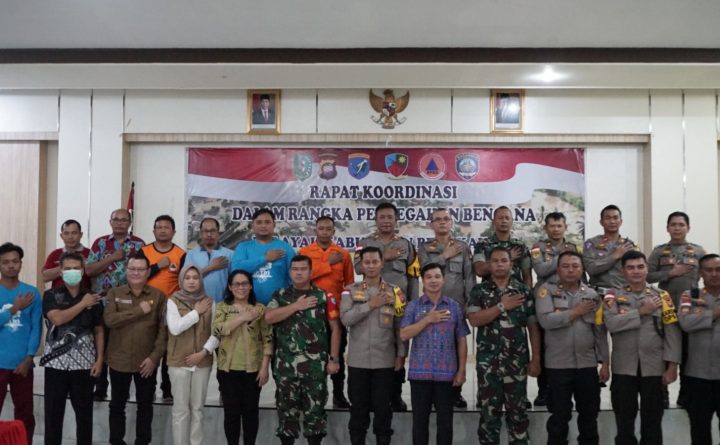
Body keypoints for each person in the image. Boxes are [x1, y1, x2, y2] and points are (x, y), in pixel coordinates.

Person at [604, 250, 680, 445]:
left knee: (653, 422)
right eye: (630, 268)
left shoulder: (662, 296)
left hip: (654, 367)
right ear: (623, 271)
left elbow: (672, 332)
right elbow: (611, 324)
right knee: (624, 423)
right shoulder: (613, 296)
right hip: (624, 368)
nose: (636, 271)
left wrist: (672, 366)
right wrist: (641, 311)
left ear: (647, 269)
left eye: (640, 267)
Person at [466, 246, 541, 445]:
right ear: (489, 265)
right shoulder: (479, 291)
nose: (499, 264)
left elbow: (533, 327)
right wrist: (501, 306)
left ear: (511, 264)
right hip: (488, 365)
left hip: (516, 363)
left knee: (518, 415)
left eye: (504, 260)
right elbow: (474, 320)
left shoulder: (523, 291)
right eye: (495, 261)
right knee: (489, 416)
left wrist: (536, 359)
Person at [535, 251, 609, 445]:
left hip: (587, 365)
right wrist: (576, 312)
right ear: (558, 269)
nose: (570, 270)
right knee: (559, 417)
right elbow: (545, 321)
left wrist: (605, 362)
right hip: (558, 365)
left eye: (575, 266)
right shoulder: (546, 291)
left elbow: (599, 331)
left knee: (589, 416)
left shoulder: (592, 295)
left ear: (582, 269)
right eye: (565, 266)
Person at [265, 255, 341, 445]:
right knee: (286, 413)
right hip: (286, 367)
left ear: (310, 272)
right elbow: (268, 318)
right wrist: (296, 306)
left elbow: (336, 329)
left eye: (303, 269)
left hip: (315, 368)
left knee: (315, 414)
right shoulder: (280, 295)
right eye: (295, 269)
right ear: (290, 272)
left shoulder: (324, 296)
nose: (298, 273)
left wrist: (333, 359)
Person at [354, 201, 419, 411]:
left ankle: (396, 395)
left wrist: (413, 305)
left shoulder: (406, 245)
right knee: (375, 347)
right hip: (372, 304)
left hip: (399, 306)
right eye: (381, 217)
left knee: (399, 348)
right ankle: (373, 395)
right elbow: (357, 267)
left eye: (390, 217)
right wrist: (384, 255)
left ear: (396, 220)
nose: (386, 221)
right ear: (375, 220)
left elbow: (413, 276)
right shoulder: (364, 242)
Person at [342, 246, 407, 445]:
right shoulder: (349, 290)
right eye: (367, 262)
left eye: (375, 262)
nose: (371, 266)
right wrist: (370, 305)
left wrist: (401, 354)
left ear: (382, 264)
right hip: (358, 361)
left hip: (384, 361)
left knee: (383, 411)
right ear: (361, 265)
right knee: (358, 411)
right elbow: (345, 319)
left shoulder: (395, 291)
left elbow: (399, 325)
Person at [400, 263, 469, 445]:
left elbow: (462, 339)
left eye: (437, 276)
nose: (433, 280)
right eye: (429, 277)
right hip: (419, 374)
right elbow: (404, 334)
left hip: (447, 375)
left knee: (445, 423)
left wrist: (461, 370)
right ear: (423, 281)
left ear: (443, 280)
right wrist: (428, 320)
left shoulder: (454, 307)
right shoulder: (413, 306)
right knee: (419, 423)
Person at [104, 252, 168, 445]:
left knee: (145, 405)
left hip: (146, 362)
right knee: (117, 405)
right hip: (119, 360)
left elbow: (163, 331)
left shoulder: (159, 296)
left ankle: (143, 441)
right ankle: (116, 441)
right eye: (132, 268)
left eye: (140, 269)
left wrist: (154, 358)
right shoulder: (115, 293)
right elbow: (110, 320)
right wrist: (138, 311)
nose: (136, 273)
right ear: (126, 270)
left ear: (148, 272)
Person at [41, 251, 104, 445]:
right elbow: (57, 319)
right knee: (53, 415)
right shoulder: (51, 295)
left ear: (83, 271)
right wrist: (83, 304)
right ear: (60, 272)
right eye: (67, 269)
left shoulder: (92, 297)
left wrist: (100, 359)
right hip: (56, 363)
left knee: (84, 416)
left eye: (76, 268)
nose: (72, 272)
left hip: (84, 364)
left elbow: (99, 330)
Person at [417, 207, 474, 408]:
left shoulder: (462, 247)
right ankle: (434, 393)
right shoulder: (425, 248)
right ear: (431, 224)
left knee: (456, 348)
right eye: (438, 219)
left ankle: (456, 392)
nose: (442, 222)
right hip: (431, 307)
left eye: (446, 219)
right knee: (434, 348)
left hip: (456, 306)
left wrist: (470, 303)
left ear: (451, 223)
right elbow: (424, 270)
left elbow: (469, 277)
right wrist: (445, 255)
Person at [86, 208, 145, 400]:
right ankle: (100, 387)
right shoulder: (100, 243)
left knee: (122, 345)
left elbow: (145, 272)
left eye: (124, 219)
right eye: (116, 219)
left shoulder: (138, 244)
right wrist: (111, 258)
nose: (120, 222)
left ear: (130, 223)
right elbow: (89, 271)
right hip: (102, 301)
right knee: (101, 344)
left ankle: (122, 389)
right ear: (110, 222)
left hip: (129, 303)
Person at [647, 211, 705, 407]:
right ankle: (661, 395)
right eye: (673, 224)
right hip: (666, 306)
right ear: (667, 228)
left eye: (681, 224)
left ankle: (686, 395)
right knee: (663, 351)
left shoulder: (698, 251)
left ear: (688, 227)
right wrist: (671, 272)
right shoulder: (658, 252)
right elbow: (648, 276)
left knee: (690, 353)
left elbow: (709, 273)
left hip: (692, 308)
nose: (677, 228)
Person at [299, 216, 354, 409]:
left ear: (333, 231)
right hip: (310, 313)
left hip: (336, 315)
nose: (324, 232)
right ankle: (312, 395)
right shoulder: (305, 252)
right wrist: (327, 264)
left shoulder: (343, 254)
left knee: (337, 353)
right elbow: (301, 278)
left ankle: (339, 395)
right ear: (315, 231)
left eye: (328, 229)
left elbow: (349, 285)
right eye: (321, 228)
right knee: (310, 355)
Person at [213, 269, 272, 445]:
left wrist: (264, 367)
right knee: (231, 413)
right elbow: (217, 330)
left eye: (245, 283)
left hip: (253, 370)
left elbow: (267, 339)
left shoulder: (260, 309)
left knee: (250, 412)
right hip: (227, 369)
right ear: (230, 287)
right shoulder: (222, 307)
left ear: (251, 286)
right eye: (237, 284)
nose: (241, 287)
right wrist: (242, 317)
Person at [529, 211, 581, 407]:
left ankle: (567, 390)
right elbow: (540, 270)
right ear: (546, 228)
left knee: (566, 344)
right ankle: (544, 390)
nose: (556, 229)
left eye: (560, 226)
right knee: (544, 345)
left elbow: (580, 273)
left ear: (565, 227)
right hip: (547, 299)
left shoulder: (575, 247)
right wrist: (562, 258)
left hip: (569, 300)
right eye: (552, 226)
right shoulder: (538, 247)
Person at [166, 265, 218, 445]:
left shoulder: (210, 302)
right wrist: (196, 312)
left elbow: (216, 333)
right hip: (178, 362)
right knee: (180, 410)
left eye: (195, 277)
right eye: (187, 277)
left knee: (198, 409)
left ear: (200, 280)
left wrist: (203, 353)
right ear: (181, 280)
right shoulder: (173, 301)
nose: (191, 281)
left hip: (202, 362)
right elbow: (175, 328)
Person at [0, 242, 42, 445]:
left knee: (25, 414)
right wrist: (14, 308)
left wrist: (29, 357)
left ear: (21, 264)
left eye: (15, 261)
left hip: (22, 364)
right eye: (5, 262)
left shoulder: (31, 293)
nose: (11, 265)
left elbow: (36, 328)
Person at [142, 214, 186, 402]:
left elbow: (185, 282)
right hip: (147, 307)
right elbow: (137, 275)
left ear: (173, 232)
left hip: (171, 308)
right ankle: (148, 387)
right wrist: (157, 266)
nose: (162, 230)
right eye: (158, 227)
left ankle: (167, 390)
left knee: (169, 349)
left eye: (166, 227)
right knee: (149, 347)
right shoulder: (144, 251)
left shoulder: (181, 254)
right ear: (153, 231)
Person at [678, 254, 720, 445]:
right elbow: (686, 323)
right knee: (699, 428)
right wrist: (714, 314)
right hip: (698, 375)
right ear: (701, 273)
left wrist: (701, 320)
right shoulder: (690, 296)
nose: (714, 274)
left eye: (718, 270)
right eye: (709, 270)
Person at [231, 208, 296, 306]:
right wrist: (265, 259)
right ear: (252, 225)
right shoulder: (243, 247)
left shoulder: (285, 248)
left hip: (280, 305)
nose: (263, 225)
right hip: (248, 305)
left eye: (267, 222)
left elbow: (295, 275)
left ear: (274, 225)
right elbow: (236, 269)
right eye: (259, 222)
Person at [473, 206, 532, 288]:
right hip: (488, 293)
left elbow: (527, 277)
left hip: (516, 292)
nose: (504, 221)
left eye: (507, 218)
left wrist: (527, 294)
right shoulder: (483, 244)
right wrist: (507, 258)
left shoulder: (520, 246)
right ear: (493, 222)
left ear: (512, 221)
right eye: (500, 218)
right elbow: (479, 270)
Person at [583, 204, 638, 292]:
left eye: (615, 218)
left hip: (624, 294)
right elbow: (591, 269)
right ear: (601, 222)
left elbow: (638, 271)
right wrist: (615, 256)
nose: (612, 221)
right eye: (608, 218)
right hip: (599, 294)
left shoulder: (629, 245)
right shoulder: (591, 244)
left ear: (621, 221)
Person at [186, 217, 233, 303]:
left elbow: (235, 281)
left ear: (218, 233)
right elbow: (186, 279)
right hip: (196, 304)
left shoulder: (230, 254)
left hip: (222, 305)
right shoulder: (191, 254)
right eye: (205, 231)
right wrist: (211, 267)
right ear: (200, 233)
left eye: (212, 231)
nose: (209, 234)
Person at [42, 219, 92, 289]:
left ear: (81, 235)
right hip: (58, 295)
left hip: (85, 294)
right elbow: (44, 277)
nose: (70, 237)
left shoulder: (90, 253)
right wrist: (66, 265)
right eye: (66, 233)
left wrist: (85, 264)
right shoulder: (55, 254)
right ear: (61, 236)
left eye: (74, 233)